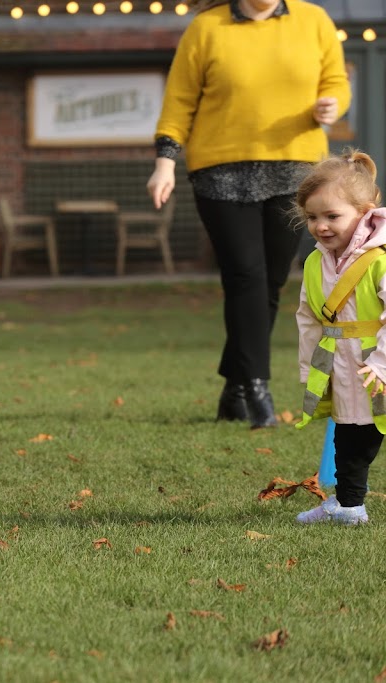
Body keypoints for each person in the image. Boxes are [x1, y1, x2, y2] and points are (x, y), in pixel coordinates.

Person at [146, 0, 351, 429]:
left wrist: (333, 104)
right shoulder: (207, 28)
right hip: (219, 171)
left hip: (296, 168)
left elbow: (334, 79)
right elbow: (179, 98)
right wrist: (165, 160)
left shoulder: (313, 20)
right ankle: (257, 387)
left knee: (271, 280)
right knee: (246, 276)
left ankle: (234, 386)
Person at [295, 150, 386, 525]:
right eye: (312, 217)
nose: (321, 226)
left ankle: (349, 505)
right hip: (346, 369)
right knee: (350, 435)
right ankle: (349, 507)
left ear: (364, 211)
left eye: (332, 216)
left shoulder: (379, 260)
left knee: (359, 435)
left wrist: (381, 364)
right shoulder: (316, 263)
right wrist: (310, 372)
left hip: (374, 366)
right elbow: (308, 319)